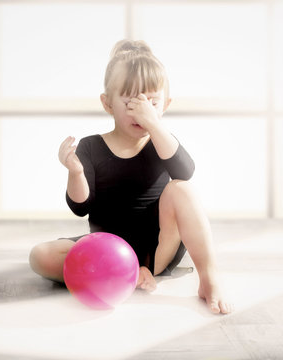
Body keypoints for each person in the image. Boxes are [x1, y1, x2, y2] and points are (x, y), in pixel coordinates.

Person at [29, 40, 232, 314]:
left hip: (157, 249)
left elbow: (185, 171)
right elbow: (81, 207)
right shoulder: (91, 146)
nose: (141, 110)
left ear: (165, 105)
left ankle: (209, 279)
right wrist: (75, 172)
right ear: (107, 103)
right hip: (108, 252)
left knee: (182, 189)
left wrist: (155, 125)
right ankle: (126, 275)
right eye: (130, 101)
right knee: (40, 256)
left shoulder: (162, 143)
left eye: (151, 102)